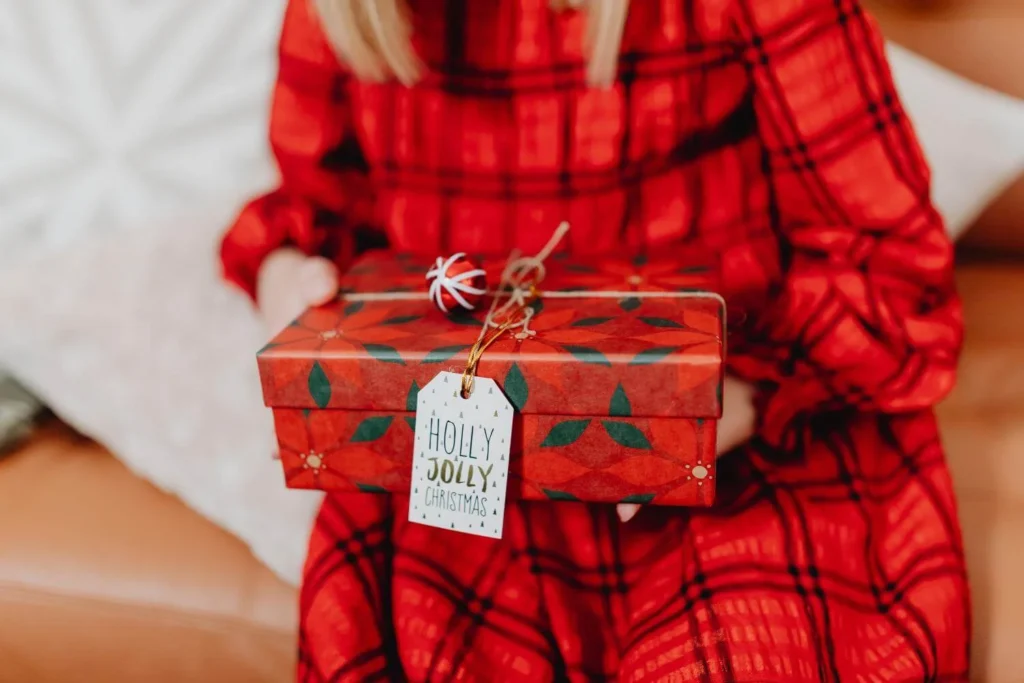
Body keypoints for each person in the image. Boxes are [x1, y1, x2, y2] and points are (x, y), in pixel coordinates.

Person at [221, 0, 969, 680]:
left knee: (739, 651)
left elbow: (891, 263)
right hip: (470, 463)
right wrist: (289, 269)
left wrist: (724, 399)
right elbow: (317, 208)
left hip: (746, 439)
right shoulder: (342, 15)